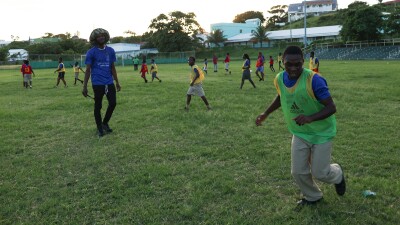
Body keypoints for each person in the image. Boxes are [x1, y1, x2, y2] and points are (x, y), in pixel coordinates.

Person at [255, 46, 346, 207]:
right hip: (300, 133)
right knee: (297, 171)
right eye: (289, 64)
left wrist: (310, 118)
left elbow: (331, 107)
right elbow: (281, 96)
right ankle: (313, 196)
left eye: (297, 64)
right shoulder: (279, 78)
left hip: (321, 133)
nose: (293, 68)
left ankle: (337, 174)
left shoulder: (314, 80)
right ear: (283, 62)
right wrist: (265, 113)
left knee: (320, 173)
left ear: (302, 62)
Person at [82, 28, 121, 137]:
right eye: (98, 36)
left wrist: (117, 82)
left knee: (113, 103)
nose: (101, 37)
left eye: (103, 35)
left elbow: (113, 68)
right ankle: (99, 128)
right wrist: (85, 86)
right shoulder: (91, 52)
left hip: (109, 82)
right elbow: (88, 70)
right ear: (95, 39)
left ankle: (104, 123)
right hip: (97, 83)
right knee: (98, 106)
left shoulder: (111, 51)